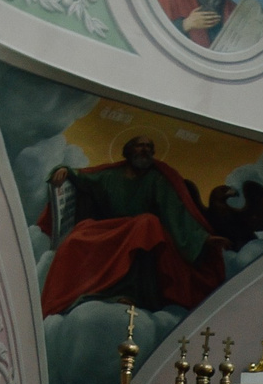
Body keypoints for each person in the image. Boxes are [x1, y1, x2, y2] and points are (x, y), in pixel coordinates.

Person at [34, 136, 224, 318]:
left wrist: (202, 239)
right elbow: (82, 177)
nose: (145, 150)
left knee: (147, 224)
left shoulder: (157, 181)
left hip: (142, 234)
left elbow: (175, 213)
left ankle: (131, 292)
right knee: (76, 238)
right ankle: (77, 294)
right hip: (112, 229)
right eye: (140, 146)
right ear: (128, 151)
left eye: (149, 148)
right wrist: (63, 169)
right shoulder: (110, 176)